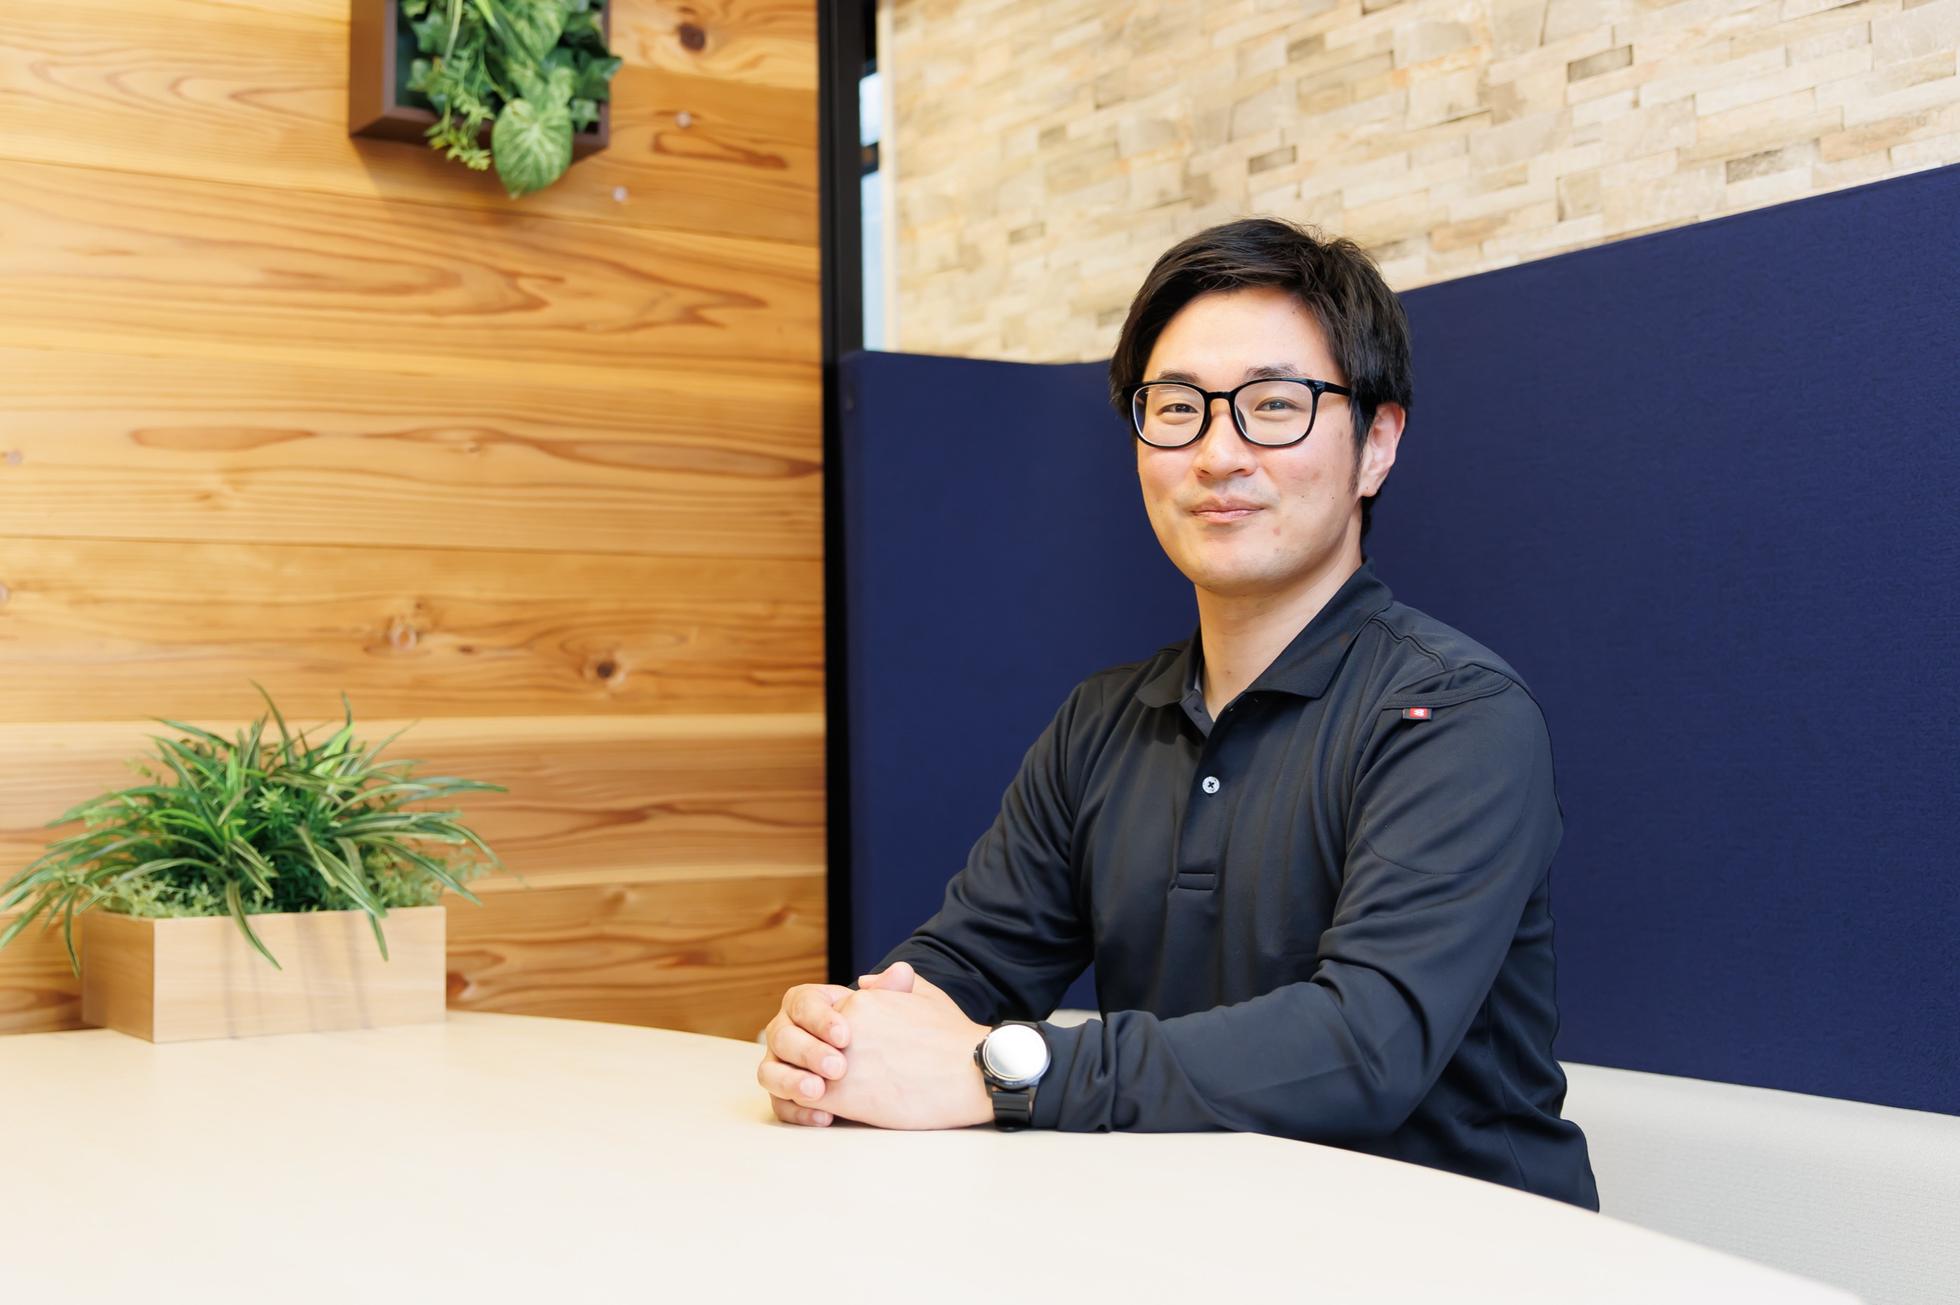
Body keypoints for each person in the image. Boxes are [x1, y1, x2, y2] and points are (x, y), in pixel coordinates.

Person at [755, 216, 1599, 1210]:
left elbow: (1364, 1047)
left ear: (1376, 445)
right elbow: (965, 965)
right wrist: (844, 1040)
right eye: (1177, 408)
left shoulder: (1454, 714)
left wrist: (1002, 1071)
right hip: (1189, 1238)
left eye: (1274, 405)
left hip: (1468, 1253)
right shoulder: (1102, 722)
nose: (1216, 453)